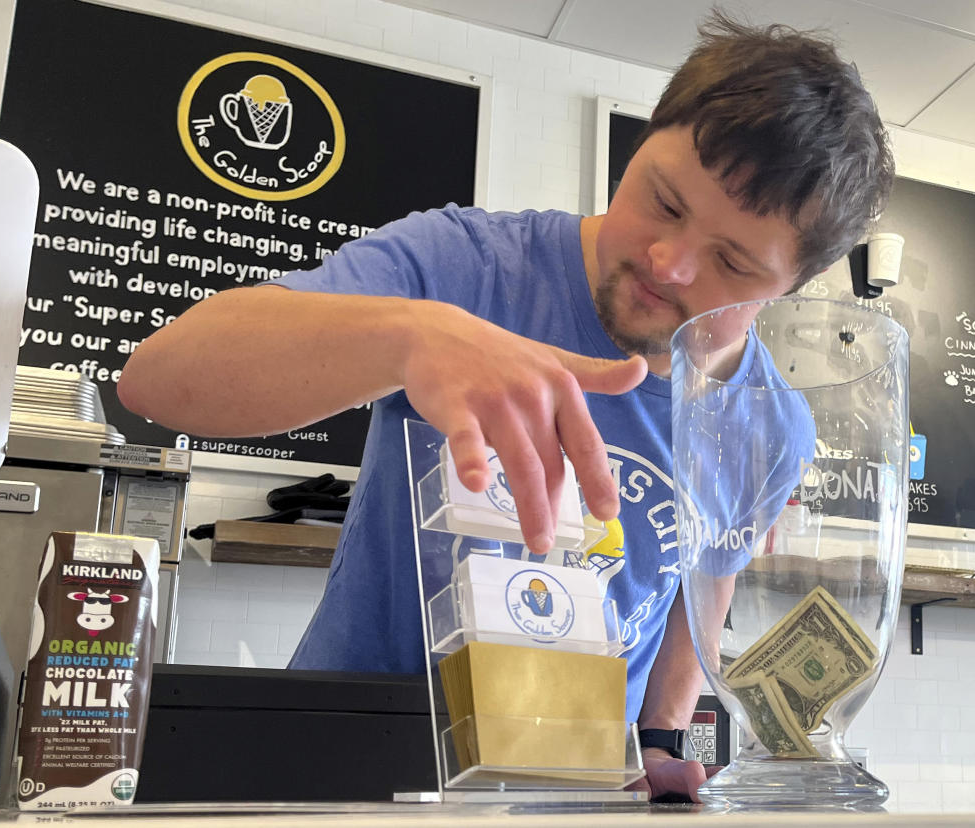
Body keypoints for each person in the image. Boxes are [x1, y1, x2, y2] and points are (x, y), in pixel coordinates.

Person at [117, 12, 893, 801]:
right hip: (353, 769)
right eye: (662, 202)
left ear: (790, 287)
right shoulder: (467, 265)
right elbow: (158, 381)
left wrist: (660, 742)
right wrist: (411, 338)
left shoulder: (772, 425)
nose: (670, 262)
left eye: (731, 262)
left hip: (579, 789)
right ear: (641, 147)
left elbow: (705, 585)